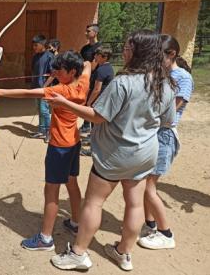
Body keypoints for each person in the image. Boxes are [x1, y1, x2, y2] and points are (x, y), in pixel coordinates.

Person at [47, 30, 175, 271]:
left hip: (115, 156)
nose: (124, 51)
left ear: (140, 52)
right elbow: (167, 120)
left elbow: (97, 117)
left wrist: (65, 103)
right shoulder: (165, 84)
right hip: (144, 155)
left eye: (128, 48)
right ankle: (123, 253)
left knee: (93, 202)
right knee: (135, 204)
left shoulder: (123, 83)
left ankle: (78, 253)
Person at [0, 51, 91, 251]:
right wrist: (84, 61)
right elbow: (87, 66)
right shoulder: (82, 83)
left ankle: (46, 238)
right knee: (71, 182)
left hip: (59, 146)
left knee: (51, 191)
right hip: (73, 143)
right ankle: (76, 223)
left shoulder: (62, 90)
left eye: (60, 70)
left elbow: (29, 93)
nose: (56, 72)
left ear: (72, 71)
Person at [138, 35, 194, 250]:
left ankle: (165, 233)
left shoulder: (182, 77)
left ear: (171, 54)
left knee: (148, 186)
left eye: (157, 56)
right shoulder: (161, 75)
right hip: (153, 133)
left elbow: (172, 110)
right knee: (145, 184)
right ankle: (150, 225)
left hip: (164, 135)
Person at [80, 46, 115, 157]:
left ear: (104, 57)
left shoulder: (101, 70)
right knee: (95, 125)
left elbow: (96, 89)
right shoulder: (109, 67)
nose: (95, 57)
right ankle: (93, 141)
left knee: (95, 124)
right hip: (103, 100)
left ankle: (93, 149)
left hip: (98, 100)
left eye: (97, 55)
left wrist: (89, 102)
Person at [30, 34, 54, 143]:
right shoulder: (35, 56)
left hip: (45, 89)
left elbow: (53, 74)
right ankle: (41, 130)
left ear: (43, 44)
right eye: (33, 45)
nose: (34, 47)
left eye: (36, 45)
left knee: (44, 111)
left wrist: (45, 86)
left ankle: (49, 132)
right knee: (39, 110)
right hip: (35, 87)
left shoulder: (50, 56)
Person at [79, 24, 102, 133]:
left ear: (95, 33)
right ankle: (86, 124)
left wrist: (86, 69)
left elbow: (93, 66)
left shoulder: (100, 48)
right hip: (85, 79)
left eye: (88, 31)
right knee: (85, 102)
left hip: (95, 80)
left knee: (92, 103)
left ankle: (92, 130)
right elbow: (80, 63)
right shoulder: (85, 48)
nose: (86, 33)